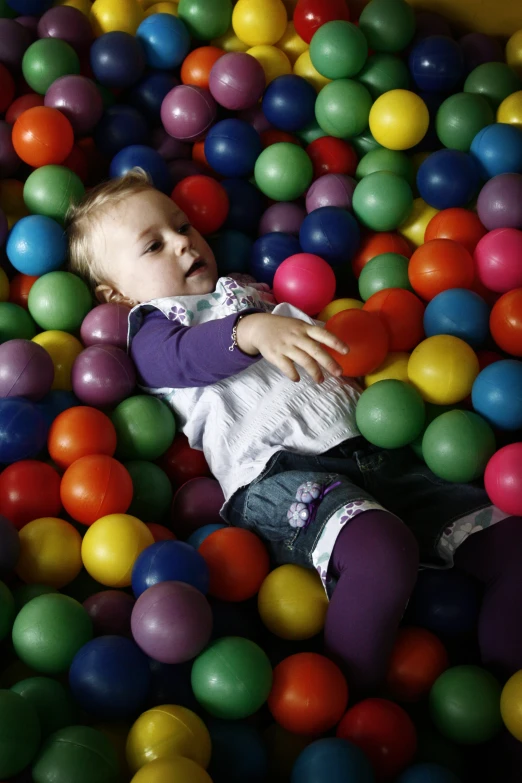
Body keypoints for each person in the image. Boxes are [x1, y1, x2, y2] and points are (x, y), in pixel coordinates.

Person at [66, 169, 522, 692]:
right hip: (280, 476)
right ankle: (352, 701)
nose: (183, 243)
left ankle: (509, 697)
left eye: (183, 226)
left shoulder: (245, 290)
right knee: (381, 550)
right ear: (117, 296)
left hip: (380, 451)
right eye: (153, 246)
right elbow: (180, 358)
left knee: (511, 544)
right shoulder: (151, 328)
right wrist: (251, 331)